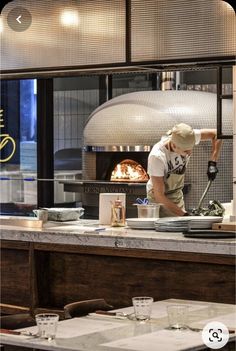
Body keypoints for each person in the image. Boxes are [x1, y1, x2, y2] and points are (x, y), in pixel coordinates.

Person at [146, 123, 222, 217]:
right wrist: (185, 215)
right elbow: (159, 196)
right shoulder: (157, 157)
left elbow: (217, 133)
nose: (189, 153)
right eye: (185, 151)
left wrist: (212, 162)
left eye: (191, 148)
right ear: (173, 146)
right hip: (160, 204)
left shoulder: (187, 136)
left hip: (177, 197)